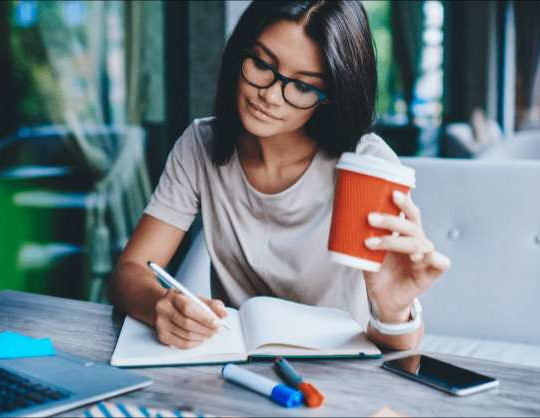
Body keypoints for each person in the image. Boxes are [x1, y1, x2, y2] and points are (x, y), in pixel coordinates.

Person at [109, 0, 451, 351]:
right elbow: (130, 271)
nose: (270, 96)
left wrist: (393, 310)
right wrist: (160, 306)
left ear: (331, 96)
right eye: (260, 63)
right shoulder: (201, 145)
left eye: (303, 87)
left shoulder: (366, 166)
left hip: (341, 374)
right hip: (234, 367)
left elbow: (403, 355)